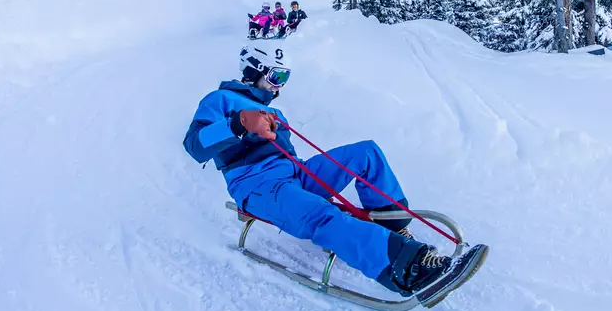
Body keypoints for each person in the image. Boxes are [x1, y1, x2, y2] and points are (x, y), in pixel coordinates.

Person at [183, 45, 455, 296]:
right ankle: (408, 268)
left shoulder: (274, 111)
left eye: (285, 78)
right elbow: (195, 145)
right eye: (276, 76)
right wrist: (238, 122)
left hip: (295, 173)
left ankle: (394, 229)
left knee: (366, 153)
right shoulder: (220, 99)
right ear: (254, 69)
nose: (279, 86)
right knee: (322, 214)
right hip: (256, 184)